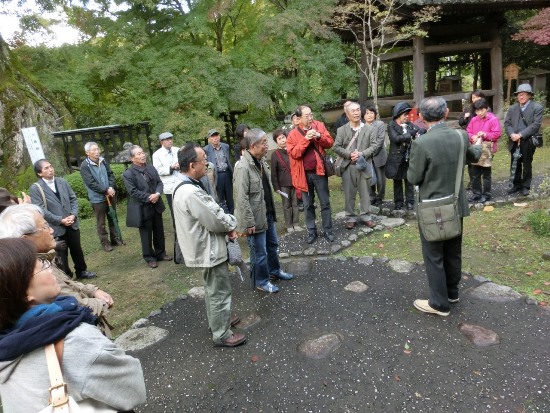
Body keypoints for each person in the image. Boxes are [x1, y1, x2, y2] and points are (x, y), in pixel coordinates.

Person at [0, 238, 146, 412]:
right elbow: (132, 388)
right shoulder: (75, 341)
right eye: (41, 265)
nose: (49, 268)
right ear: (24, 293)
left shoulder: (6, 348)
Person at [407, 96, 481, 317]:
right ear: (446, 113)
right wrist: (477, 146)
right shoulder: (461, 135)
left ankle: (439, 304)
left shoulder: (421, 143)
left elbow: (413, 177)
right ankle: (451, 293)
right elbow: (472, 156)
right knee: (453, 250)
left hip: (432, 207)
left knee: (434, 255)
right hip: (455, 204)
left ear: (421, 117)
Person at [173, 143, 246, 348]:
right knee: (219, 291)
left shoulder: (184, 187)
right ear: (191, 165)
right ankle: (222, 333)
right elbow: (215, 218)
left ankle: (218, 322)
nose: (207, 162)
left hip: (203, 247)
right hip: (208, 249)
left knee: (213, 289)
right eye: (203, 159)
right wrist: (232, 224)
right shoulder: (191, 192)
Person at [0, 204, 114, 331]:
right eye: (45, 227)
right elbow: (76, 307)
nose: (51, 230)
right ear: (25, 240)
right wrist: (104, 303)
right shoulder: (34, 273)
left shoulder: (42, 260)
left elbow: (68, 284)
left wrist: (92, 290)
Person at [234, 128, 295, 294]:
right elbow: (241, 198)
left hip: (266, 213)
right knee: (259, 253)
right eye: (264, 143)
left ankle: (274, 271)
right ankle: (261, 281)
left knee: (272, 245)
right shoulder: (243, 167)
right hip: (254, 219)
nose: (267, 146)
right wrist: (249, 222)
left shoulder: (260, 161)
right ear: (253, 146)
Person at [29, 159, 97, 280]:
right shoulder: (36, 188)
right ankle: (66, 276)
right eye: (46, 168)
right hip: (55, 227)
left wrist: (73, 215)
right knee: (61, 254)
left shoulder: (62, 181)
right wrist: (60, 220)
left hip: (72, 223)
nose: (50, 169)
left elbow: (73, 199)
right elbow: (41, 209)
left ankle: (82, 271)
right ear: (39, 173)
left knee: (77, 250)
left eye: (51, 166)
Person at [287, 105, 335, 244]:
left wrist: (319, 136)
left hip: (319, 172)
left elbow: (330, 142)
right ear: (299, 118)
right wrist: (306, 139)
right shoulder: (293, 134)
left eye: (311, 115)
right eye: (306, 116)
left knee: (325, 202)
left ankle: (328, 230)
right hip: (303, 175)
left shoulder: (319, 125)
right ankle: (311, 231)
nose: (310, 118)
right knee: (308, 205)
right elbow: (294, 153)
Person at [123, 145, 172, 269]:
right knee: (146, 234)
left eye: (142, 153)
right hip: (143, 207)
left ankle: (161, 253)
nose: (142, 155)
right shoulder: (129, 174)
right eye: (138, 154)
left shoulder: (151, 168)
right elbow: (132, 191)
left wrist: (157, 193)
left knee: (159, 231)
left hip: (156, 205)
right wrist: (149, 197)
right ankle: (149, 257)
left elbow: (159, 183)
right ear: (132, 158)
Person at [333, 102, 379, 229]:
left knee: (365, 192)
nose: (356, 113)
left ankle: (366, 216)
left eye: (358, 110)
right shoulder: (341, 130)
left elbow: (375, 146)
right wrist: (349, 154)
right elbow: (336, 147)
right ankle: (351, 217)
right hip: (348, 166)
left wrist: (362, 154)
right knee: (349, 193)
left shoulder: (369, 129)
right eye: (353, 111)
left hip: (364, 165)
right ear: (347, 114)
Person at [80, 141, 123, 252]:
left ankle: (115, 238)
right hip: (97, 198)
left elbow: (110, 174)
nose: (97, 151)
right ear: (87, 153)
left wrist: (111, 187)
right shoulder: (85, 166)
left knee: (113, 217)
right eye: (93, 150)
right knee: (101, 222)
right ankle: (105, 243)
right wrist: (105, 190)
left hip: (110, 194)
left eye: (97, 149)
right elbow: (91, 183)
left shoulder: (103, 161)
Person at [504, 83, 544, 197]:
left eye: (524, 95)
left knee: (527, 163)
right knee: (515, 163)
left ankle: (525, 186)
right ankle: (515, 184)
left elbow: (536, 125)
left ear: (529, 95)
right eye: (519, 95)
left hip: (528, 140)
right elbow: (507, 123)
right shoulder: (512, 108)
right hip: (514, 140)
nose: (521, 97)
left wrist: (521, 134)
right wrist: (511, 134)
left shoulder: (537, 108)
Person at [386, 102, 423, 211]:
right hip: (396, 159)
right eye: (405, 114)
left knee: (409, 181)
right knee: (397, 181)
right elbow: (396, 139)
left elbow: (419, 130)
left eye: (407, 114)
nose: (407, 116)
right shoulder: (391, 125)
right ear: (398, 115)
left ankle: (410, 202)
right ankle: (398, 202)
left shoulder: (410, 125)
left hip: (408, 157)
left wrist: (419, 131)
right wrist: (411, 134)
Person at [466, 98, 502, 203]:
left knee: (486, 173)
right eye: (477, 111)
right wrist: (472, 137)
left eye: (482, 110)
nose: (480, 113)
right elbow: (468, 131)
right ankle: (476, 193)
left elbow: (497, 134)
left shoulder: (493, 119)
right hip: (475, 148)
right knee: (474, 172)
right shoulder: (474, 119)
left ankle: (487, 194)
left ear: (486, 109)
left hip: (487, 149)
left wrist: (485, 135)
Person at [270, 129, 302, 233]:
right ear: (276, 141)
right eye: (279, 139)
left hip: (295, 182)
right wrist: (276, 187)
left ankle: (296, 223)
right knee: (286, 205)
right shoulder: (275, 155)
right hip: (283, 184)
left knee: (295, 204)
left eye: (283, 137)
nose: (283, 140)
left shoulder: (291, 150)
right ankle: (289, 225)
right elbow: (273, 173)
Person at [459, 89, 486, 190]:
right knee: (470, 160)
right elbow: (461, 122)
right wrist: (465, 117)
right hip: (469, 137)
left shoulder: (485, 108)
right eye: (473, 97)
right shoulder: (468, 109)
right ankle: (472, 181)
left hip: (481, 137)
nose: (475, 99)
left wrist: (479, 136)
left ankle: (481, 182)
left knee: (481, 160)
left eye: (477, 97)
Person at [152, 131, 181, 225]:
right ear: (161, 142)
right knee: (174, 212)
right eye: (167, 140)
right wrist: (171, 167)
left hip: (181, 183)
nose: (170, 141)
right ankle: (178, 235)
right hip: (170, 187)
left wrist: (180, 165)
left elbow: (185, 161)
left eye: (171, 139)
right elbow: (157, 170)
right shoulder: (157, 155)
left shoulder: (178, 150)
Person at [204, 129, 234, 214]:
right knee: (219, 197)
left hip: (227, 174)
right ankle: (223, 216)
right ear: (209, 139)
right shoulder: (206, 149)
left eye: (216, 135)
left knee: (230, 197)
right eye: (212, 136)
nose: (215, 138)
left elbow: (228, 160)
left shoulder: (225, 146)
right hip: (216, 175)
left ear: (219, 136)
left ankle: (232, 215)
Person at [363, 105, 388, 207]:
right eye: (367, 113)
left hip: (379, 155)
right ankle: (371, 196)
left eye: (371, 113)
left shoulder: (380, 124)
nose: (369, 115)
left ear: (375, 114)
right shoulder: (361, 126)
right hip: (366, 157)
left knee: (381, 179)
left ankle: (380, 197)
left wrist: (371, 151)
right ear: (363, 116)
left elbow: (380, 139)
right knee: (369, 178)